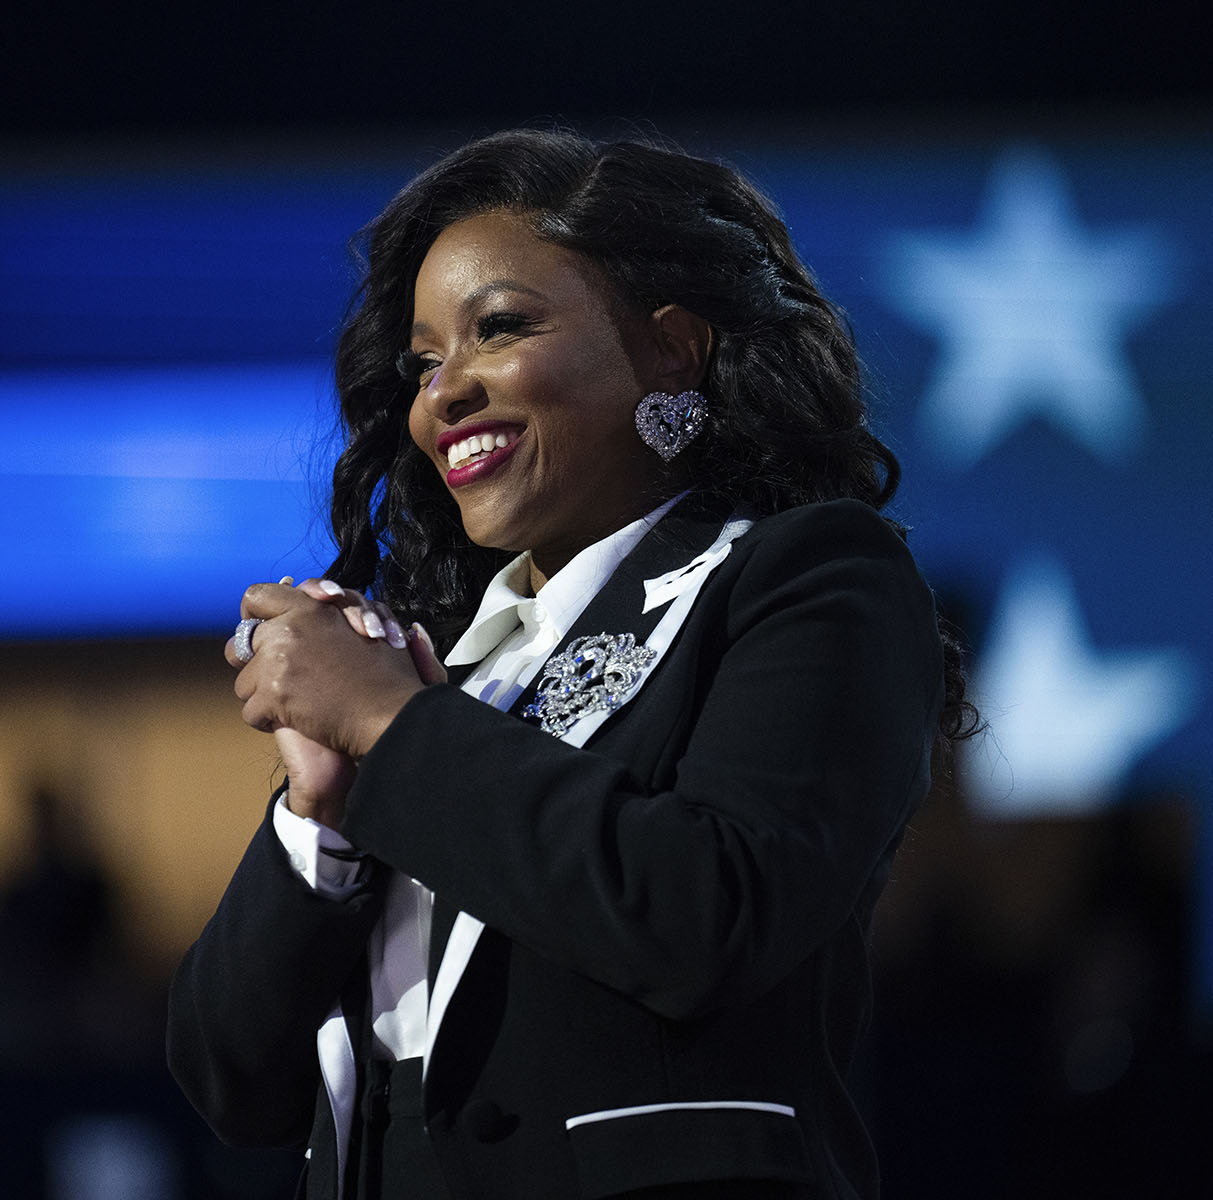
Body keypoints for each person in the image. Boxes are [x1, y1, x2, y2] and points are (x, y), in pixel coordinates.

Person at [168, 129, 971, 1200]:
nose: (440, 395)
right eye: (421, 362)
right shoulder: (448, 672)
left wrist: (390, 727)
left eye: (499, 328)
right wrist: (321, 819)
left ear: (672, 351)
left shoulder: (807, 580)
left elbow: (706, 915)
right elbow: (234, 1082)